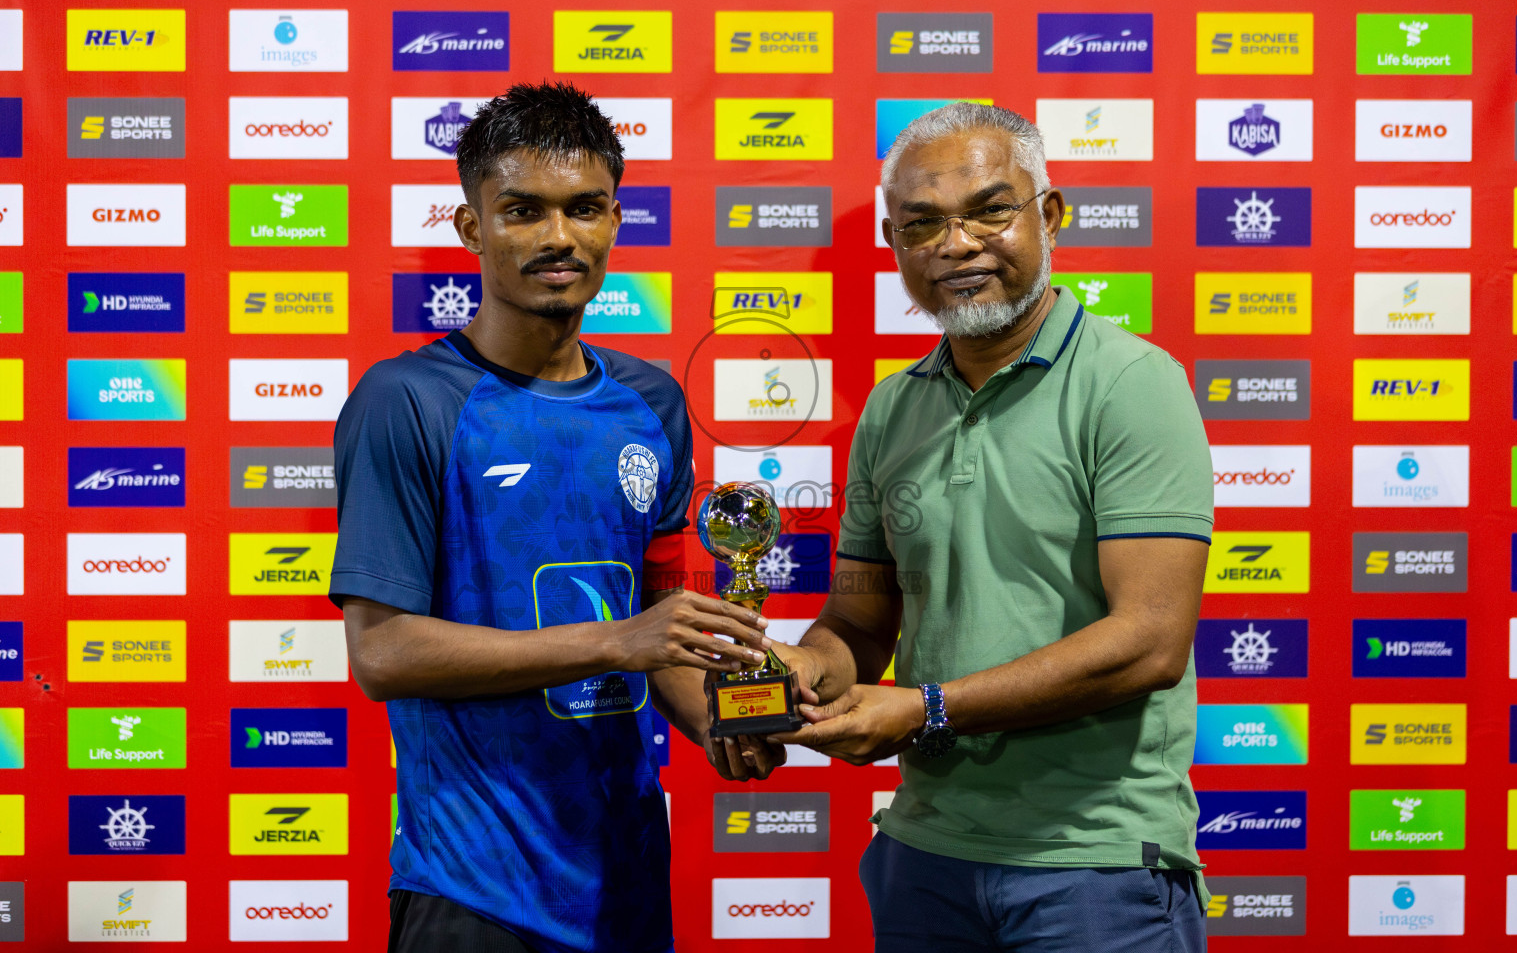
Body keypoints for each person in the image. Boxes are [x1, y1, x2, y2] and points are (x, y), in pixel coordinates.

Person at [330, 82, 777, 953]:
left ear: (616, 219)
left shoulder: (653, 401)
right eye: (523, 211)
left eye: (584, 209)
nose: (558, 238)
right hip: (474, 891)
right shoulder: (407, 400)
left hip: (629, 880)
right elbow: (383, 652)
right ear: (472, 228)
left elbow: (663, 636)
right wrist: (618, 642)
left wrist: (725, 720)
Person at [768, 101, 1215, 952]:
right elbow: (860, 620)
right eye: (922, 225)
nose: (957, 245)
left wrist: (925, 708)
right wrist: (801, 671)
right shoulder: (894, 409)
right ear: (896, 247)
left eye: (989, 210)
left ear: (1048, 216)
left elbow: (1151, 641)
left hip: (1095, 865)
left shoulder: (1132, 382)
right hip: (923, 855)